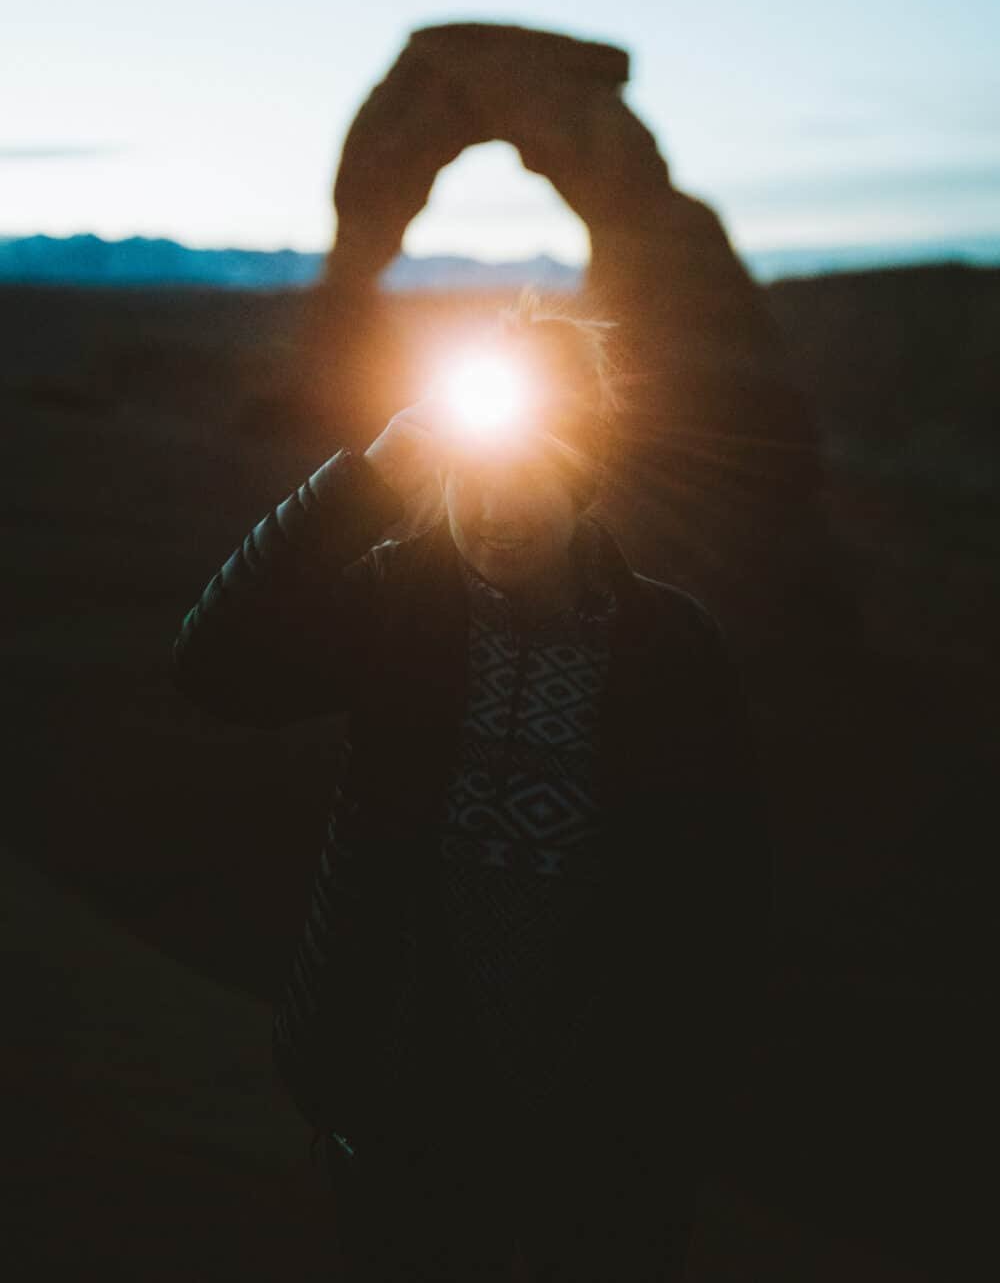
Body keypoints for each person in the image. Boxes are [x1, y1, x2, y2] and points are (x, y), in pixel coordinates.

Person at [172, 290, 772, 1282]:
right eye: (469, 475)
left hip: (603, 1121)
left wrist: (689, 1099)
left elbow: (725, 896)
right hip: (405, 1100)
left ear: (586, 476)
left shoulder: (672, 647)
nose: (492, 508)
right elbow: (214, 669)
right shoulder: (396, 602)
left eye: (528, 475)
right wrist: (363, 480)